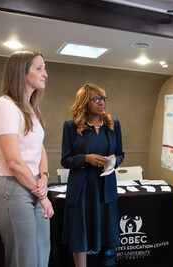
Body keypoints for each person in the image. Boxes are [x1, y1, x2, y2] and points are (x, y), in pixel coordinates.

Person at [0, 50, 54, 267]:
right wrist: (42, 195)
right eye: (39, 68)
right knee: (24, 261)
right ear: (21, 72)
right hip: (13, 189)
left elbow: (40, 148)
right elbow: (14, 162)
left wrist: (44, 176)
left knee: (41, 256)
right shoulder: (3, 106)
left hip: (34, 184)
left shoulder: (31, 109)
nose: (45, 73)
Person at [61, 83, 124, 267]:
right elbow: (66, 160)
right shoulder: (71, 126)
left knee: (107, 235)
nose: (101, 102)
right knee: (79, 235)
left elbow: (120, 154)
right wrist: (86, 158)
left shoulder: (113, 125)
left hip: (106, 188)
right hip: (82, 189)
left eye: (103, 98)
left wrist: (114, 161)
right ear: (84, 102)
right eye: (96, 99)